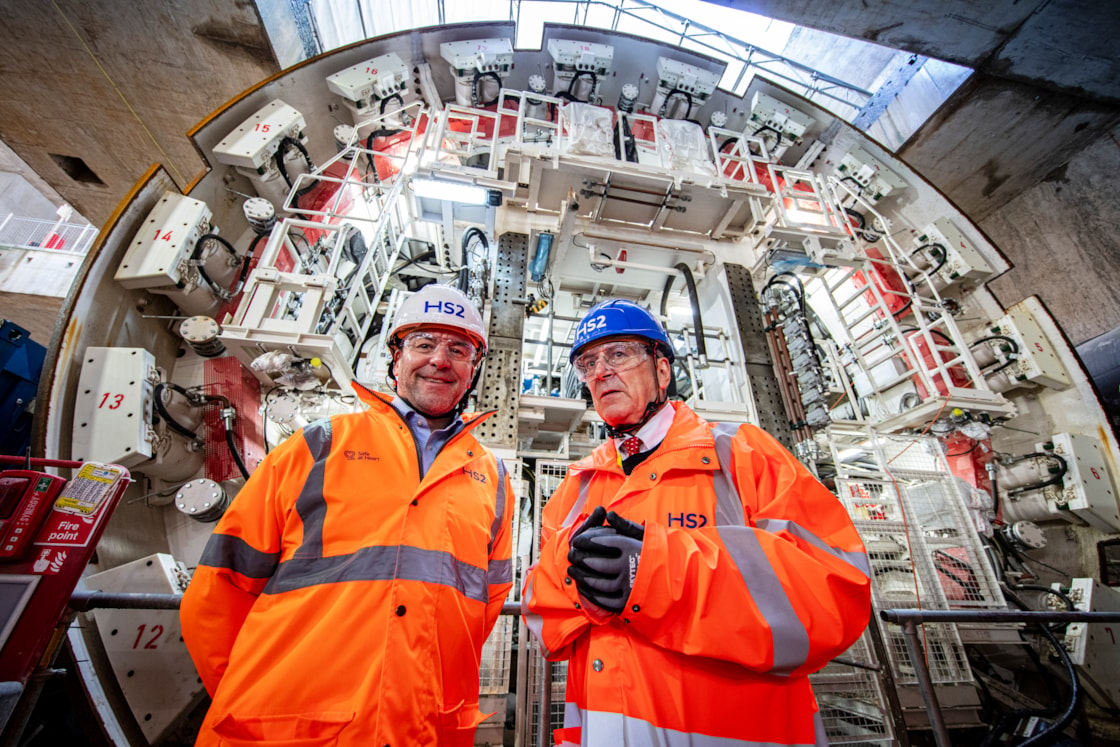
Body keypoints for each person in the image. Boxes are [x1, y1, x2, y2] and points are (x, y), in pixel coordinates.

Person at [522, 299, 871, 746]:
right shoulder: (580, 482)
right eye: (589, 362)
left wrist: (656, 575)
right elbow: (538, 604)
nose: (601, 371)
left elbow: (836, 592)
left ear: (662, 370)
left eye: (619, 354)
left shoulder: (742, 455)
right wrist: (582, 584)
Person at [181, 284, 514, 747]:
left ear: (472, 370)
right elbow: (218, 591)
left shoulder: (493, 479)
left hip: (418, 731)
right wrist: (253, 703)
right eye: (424, 344)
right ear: (394, 359)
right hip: (284, 733)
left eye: (458, 349)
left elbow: (482, 612)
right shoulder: (318, 446)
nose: (441, 359)